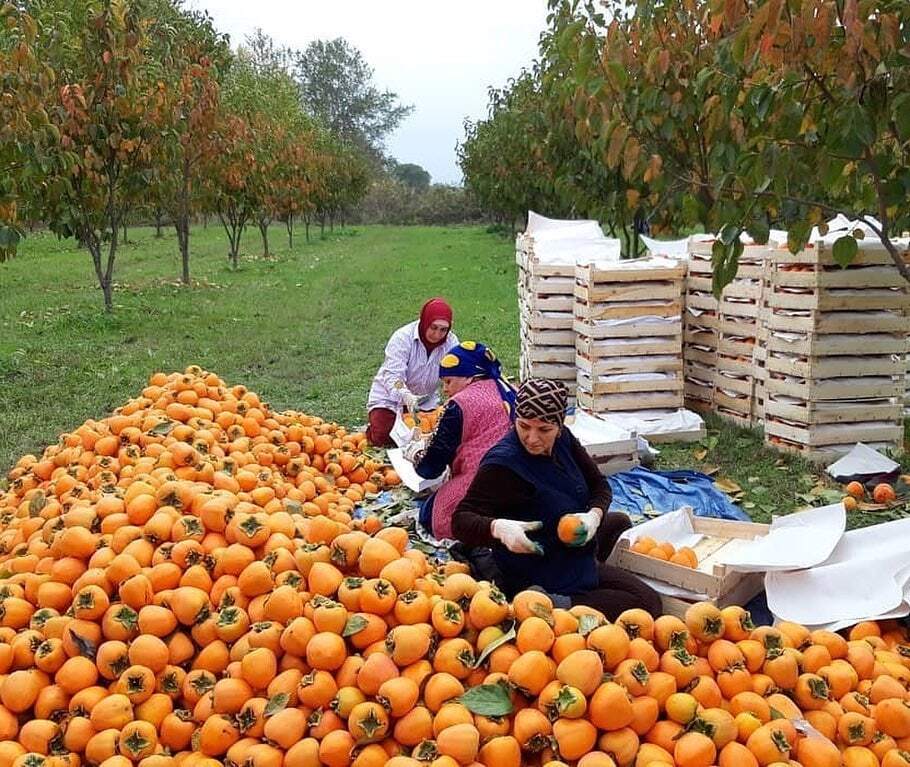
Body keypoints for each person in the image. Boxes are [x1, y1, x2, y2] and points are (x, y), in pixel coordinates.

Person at [451, 377, 662, 620]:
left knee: (618, 521)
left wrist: (593, 516)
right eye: (523, 426)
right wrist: (498, 528)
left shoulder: (564, 440)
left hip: (566, 547)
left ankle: (587, 578)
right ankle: (551, 602)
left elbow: (600, 486)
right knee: (647, 602)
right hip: (536, 564)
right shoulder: (503, 464)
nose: (532, 438)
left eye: (544, 430)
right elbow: (460, 520)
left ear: (559, 426)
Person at [403, 341, 516, 540]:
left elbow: (431, 467)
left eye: (448, 381)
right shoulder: (508, 389)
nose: (445, 389)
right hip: (520, 479)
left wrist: (417, 454)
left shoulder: (459, 405)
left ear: (469, 377)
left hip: (483, 482)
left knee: (431, 514)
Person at [366, 297, 459, 447]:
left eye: (443, 330)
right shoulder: (402, 338)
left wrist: (455, 396)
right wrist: (406, 396)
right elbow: (393, 376)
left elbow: (456, 374)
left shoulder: (451, 343)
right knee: (384, 435)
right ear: (425, 321)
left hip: (425, 401)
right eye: (433, 327)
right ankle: (375, 424)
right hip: (390, 397)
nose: (437, 335)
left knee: (437, 434)